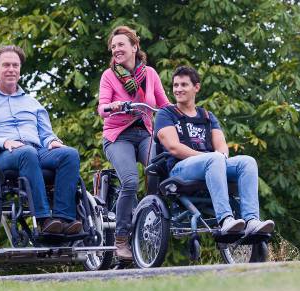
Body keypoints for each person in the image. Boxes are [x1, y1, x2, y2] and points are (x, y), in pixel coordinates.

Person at [0, 45, 82, 235]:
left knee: (69, 154)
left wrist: (52, 141)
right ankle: (44, 219)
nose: (11, 69)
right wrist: (4, 142)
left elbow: (46, 134)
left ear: (20, 69)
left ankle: (64, 219)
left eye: (15, 65)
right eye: (6, 65)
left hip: (36, 151)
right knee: (26, 153)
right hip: (3, 156)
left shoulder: (32, 102)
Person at [154, 65, 274, 235]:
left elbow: (222, 148)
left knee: (247, 162)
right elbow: (173, 147)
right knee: (215, 159)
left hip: (212, 165)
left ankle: (252, 220)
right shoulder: (166, 114)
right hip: (180, 169)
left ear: (196, 87)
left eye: (184, 85)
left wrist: (217, 158)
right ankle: (225, 219)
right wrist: (210, 158)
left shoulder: (207, 117)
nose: (178, 89)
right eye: (175, 85)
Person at [97, 26, 171, 260]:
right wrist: (114, 106)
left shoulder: (149, 74)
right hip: (118, 135)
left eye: (121, 45)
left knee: (161, 171)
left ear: (134, 47)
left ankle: (148, 216)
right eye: (114, 46)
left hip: (146, 133)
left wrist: (182, 112)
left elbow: (164, 105)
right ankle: (120, 239)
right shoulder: (109, 76)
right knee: (130, 181)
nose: (116, 49)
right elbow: (102, 108)